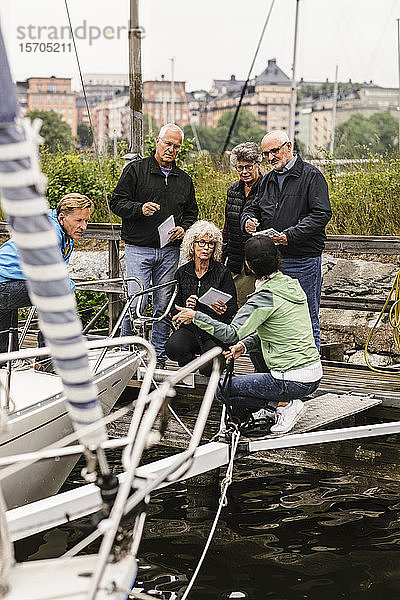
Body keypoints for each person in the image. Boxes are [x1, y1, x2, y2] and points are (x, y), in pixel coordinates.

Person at [173, 235, 322, 435]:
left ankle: (284, 405)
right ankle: (277, 405)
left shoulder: (264, 298)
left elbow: (232, 333)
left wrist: (195, 316)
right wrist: (244, 346)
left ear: (248, 266)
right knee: (249, 363)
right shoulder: (291, 285)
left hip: (291, 380)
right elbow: (276, 331)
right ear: (278, 257)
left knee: (222, 390)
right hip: (313, 373)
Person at [110, 123, 198, 367]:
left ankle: (157, 357)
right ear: (157, 142)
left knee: (163, 304)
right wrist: (140, 209)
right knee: (135, 301)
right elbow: (116, 203)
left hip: (170, 250)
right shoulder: (136, 171)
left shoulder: (184, 179)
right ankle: (124, 354)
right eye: (167, 144)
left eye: (176, 146)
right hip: (139, 248)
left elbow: (192, 212)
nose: (171, 149)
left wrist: (184, 228)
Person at [241, 130, 332, 350]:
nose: (271, 157)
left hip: (303, 260)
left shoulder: (311, 176)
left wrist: (289, 236)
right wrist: (248, 219)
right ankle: (275, 373)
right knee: (269, 318)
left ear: (288, 147)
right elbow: (252, 206)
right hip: (272, 262)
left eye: (275, 151)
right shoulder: (267, 180)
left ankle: (310, 373)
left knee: (306, 317)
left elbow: (321, 214)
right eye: (266, 154)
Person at [0, 193, 93, 354]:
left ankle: (8, 363)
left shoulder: (62, 231)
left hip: (7, 282)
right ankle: (47, 360)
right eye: (78, 220)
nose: (83, 226)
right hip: (5, 285)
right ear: (62, 217)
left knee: (6, 344)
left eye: (86, 221)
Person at [165, 220, 237, 376]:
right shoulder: (182, 272)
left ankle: (208, 365)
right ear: (192, 245)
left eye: (210, 244)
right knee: (173, 348)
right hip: (191, 329)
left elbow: (233, 308)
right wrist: (186, 307)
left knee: (208, 369)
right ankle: (190, 365)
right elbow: (174, 308)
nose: (206, 248)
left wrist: (223, 309)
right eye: (202, 243)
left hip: (214, 330)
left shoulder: (222, 272)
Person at [221, 142, 263, 307]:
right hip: (235, 261)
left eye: (248, 167)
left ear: (258, 165)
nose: (244, 172)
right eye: (240, 167)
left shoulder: (267, 188)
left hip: (257, 262)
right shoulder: (232, 190)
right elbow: (227, 227)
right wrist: (221, 257)